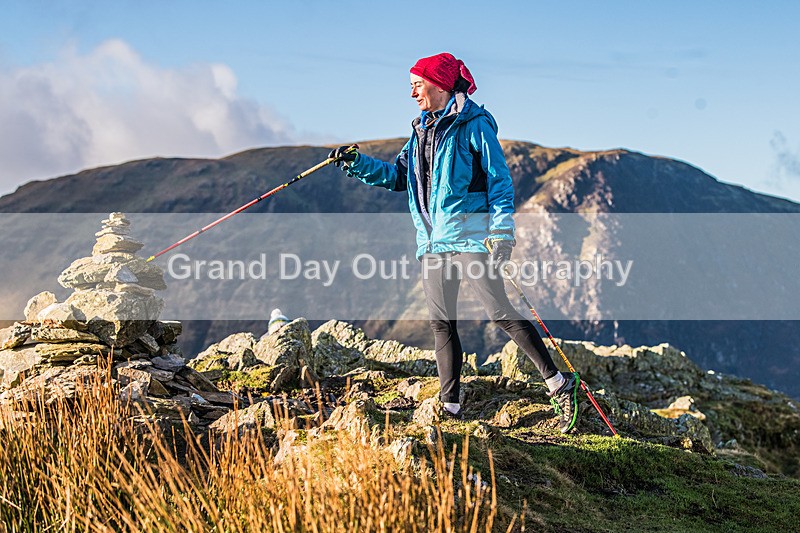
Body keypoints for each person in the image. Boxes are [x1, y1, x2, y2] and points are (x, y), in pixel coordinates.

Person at [329, 52, 580, 433]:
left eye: (416, 84)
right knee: (440, 324)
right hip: (432, 243)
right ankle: (450, 408)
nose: (412, 93)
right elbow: (398, 177)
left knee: (499, 313)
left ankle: (560, 386)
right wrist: (357, 163)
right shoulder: (419, 131)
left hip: (470, 237)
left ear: (438, 83)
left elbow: (499, 182)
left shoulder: (474, 125)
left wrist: (501, 234)